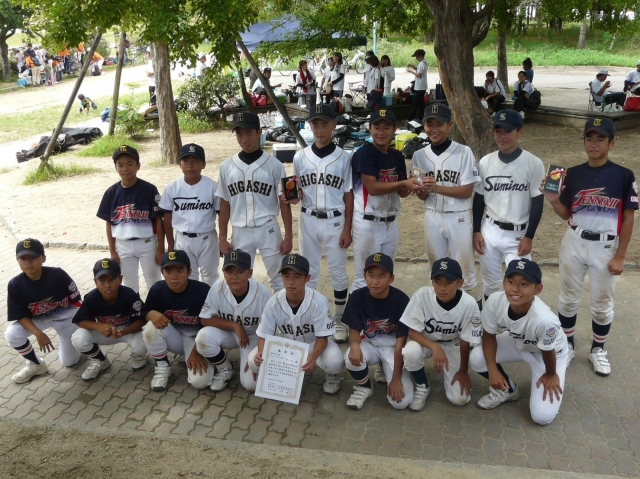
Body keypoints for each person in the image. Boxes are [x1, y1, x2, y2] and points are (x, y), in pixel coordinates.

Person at [540, 118, 637, 377]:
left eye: (600, 139)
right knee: (568, 297)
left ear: (611, 143)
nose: (594, 143)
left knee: (602, 301)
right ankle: (567, 345)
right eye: (589, 138)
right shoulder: (572, 173)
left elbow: (628, 217)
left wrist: (621, 255)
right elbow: (566, 213)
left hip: (605, 245)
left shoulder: (624, 175)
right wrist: (553, 200)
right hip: (574, 240)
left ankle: (598, 349)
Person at [470, 259, 568, 425]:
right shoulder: (495, 301)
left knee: (541, 417)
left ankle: (550, 376)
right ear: (504, 283)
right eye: (511, 282)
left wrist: (551, 374)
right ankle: (508, 390)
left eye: (524, 284)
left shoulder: (545, 320)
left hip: (548, 355)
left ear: (538, 289)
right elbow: (488, 336)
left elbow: (548, 350)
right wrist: (493, 370)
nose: (515, 289)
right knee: (477, 358)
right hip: (518, 341)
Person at [288, 104, 353, 342]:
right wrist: (292, 196)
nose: (319, 129)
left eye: (324, 124)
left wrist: (348, 228)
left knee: (338, 271)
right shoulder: (300, 157)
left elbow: (348, 194)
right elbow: (296, 193)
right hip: (308, 217)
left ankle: (339, 318)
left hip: (335, 219)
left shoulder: (344, 157)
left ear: (334, 125)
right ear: (310, 126)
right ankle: (311, 317)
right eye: (315, 124)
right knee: (310, 271)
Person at [412, 104, 483, 307]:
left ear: (449, 125)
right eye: (429, 124)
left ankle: (474, 315)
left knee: (465, 270)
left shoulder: (463, 152)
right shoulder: (419, 155)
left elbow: (467, 191)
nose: (434, 129)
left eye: (439, 124)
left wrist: (436, 187)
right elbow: (422, 196)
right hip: (432, 215)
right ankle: (441, 313)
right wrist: (420, 189)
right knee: (436, 269)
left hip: (458, 216)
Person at [472, 110, 546, 302]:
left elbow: (538, 202)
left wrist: (529, 236)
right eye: (498, 131)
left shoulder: (533, 163)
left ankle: (516, 319)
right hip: (490, 231)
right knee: (490, 283)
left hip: (518, 234)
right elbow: (479, 198)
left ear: (520, 132)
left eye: (507, 131)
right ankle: (491, 318)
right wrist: (476, 230)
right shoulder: (486, 162)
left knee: (521, 283)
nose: (502, 136)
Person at [217, 112, 293, 292]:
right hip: (240, 231)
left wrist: (289, 236)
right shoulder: (226, 167)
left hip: (268, 228)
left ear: (259, 132)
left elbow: (285, 202)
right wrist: (222, 237)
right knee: (240, 280)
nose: (244, 139)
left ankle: (279, 311)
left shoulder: (275, 165)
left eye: (249, 133)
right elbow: (224, 203)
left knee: (278, 280)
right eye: (239, 134)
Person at [248, 254, 345, 395]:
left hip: (314, 344)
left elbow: (323, 338)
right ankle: (279, 376)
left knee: (334, 361)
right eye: (286, 276)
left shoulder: (319, 301)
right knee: (253, 361)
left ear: (307, 278)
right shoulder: (273, 302)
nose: (291, 282)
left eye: (297, 277)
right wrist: (262, 354)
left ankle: (332, 376)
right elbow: (264, 335)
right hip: (286, 346)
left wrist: (313, 356)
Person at [350, 109, 419, 292]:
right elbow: (372, 188)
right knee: (364, 277)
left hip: (391, 223)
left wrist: (413, 185)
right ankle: (354, 311)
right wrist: (404, 183)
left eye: (386, 127)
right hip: (368, 223)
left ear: (394, 129)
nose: (381, 132)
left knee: (384, 275)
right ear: (370, 128)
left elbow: (402, 193)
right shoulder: (364, 154)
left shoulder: (397, 156)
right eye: (377, 127)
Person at [401, 258, 482, 411]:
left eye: (448, 282)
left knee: (460, 399)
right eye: (437, 282)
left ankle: (450, 372)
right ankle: (422, 385)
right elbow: (412, 331)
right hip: (427, 342)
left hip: (453, 344)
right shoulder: (422, 295)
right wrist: (435, 347)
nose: (442, 288)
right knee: (410, 351)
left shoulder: (469, 304)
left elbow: (466, 340)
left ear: (460, 283)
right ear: (432, 282)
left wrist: (463, 371)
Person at [5, 239, 82, 384]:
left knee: (70, 361)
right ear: (17, 261)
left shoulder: (58, 274)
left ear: (43, 258)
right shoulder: (15, 284)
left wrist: (85, 327)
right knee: (11, 334)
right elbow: (20, 315)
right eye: (23, 258)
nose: (28, 262)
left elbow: (77, 301)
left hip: (66, 319)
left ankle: (71, 342)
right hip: (39, 320)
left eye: (33, 257)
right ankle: (36, 364)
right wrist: (38, 333)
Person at [343, 253, 413, 410]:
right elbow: (354, 330)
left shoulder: (401, 300)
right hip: (370, 344)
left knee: (400, 403)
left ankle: (386, 368)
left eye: (381, 276)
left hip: (393, 349)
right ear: (364, 276)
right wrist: (354, 345)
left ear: (391, 278)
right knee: (350, 357)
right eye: (371, 275)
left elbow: (401, 342)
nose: (375, 281)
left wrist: (396, 379)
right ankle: (365, 387)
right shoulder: (357, 296)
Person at [196, 249, 272, 392]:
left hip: (253, 337)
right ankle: (225, 368)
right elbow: (205, 319)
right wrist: (235, 326)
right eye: (229, 272)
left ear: (250, 273)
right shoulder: (218, 288)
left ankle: (249, 360)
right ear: (223, 272)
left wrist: (257, 354)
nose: (234, 277)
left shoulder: (263, 294)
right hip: (229, 333)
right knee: (203, 337)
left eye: (240, 272)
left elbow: (272, 329)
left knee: (251, 385)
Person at [97, 145, 164, 293]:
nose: (125, 168)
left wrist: (161, 248)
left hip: (147, 243)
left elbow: (159, 220)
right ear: (116, 168)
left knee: (154, 281)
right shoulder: (111, 192)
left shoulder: (149, 189)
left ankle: (156, 307)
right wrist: (112, 251)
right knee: (129, 283)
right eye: (120, 165)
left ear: (138, 166)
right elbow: (109, 223)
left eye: (130, 164)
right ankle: (135, 308)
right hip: (123, 245)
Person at [142, 250, 212, 391]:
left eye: (179, 271)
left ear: (189, 272)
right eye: (168, 271)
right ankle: (162, 365)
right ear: (162, 272)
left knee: (200, 382)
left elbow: (212, 327)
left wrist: (196, 351)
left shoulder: (202, 291)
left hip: (197, 340)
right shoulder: (157, 289)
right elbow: (143, 313)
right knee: (150, 327)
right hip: (174, 337)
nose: (174, 276)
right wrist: (150, 314)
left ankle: (192, 356)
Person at [71, 258, 147, 381]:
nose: (107, 285)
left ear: (120, 279)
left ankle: (139, 356)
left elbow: (142, 319)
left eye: (111, 279)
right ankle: (99, 360)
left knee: (144, 340)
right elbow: (79, 320)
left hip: (127, 330)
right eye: (102, 280)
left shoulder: (129, 294)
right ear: (95, 282)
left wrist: (125, 331)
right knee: (78, 338)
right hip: (104, 332)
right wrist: (98, 326)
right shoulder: (91, 298)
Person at [160, 143, 220, 286]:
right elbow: (167, 219)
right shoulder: (172, 188)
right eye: (186, 161)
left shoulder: (213, 187)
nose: (190, 165)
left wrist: (223, 239)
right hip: (182, 239)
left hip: (207, 238)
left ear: (203, 164)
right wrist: (170, 244)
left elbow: (222, 214)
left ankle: (211, 301)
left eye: (195, 161)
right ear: (179, 164)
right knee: (188, 277)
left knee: (210, 276)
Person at [407, 49, 428, 122]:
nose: (416, 58)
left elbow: (419, 75)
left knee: (415, 103)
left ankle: (410, 118)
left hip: (420, 86)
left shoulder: (421, 64)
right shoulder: (424, 63)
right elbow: (418, 69)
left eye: (417, 56)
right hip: (422, 86)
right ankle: (421, 117)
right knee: (421, 103)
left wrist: (411, 71)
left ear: (421, 56)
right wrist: (412, 66)